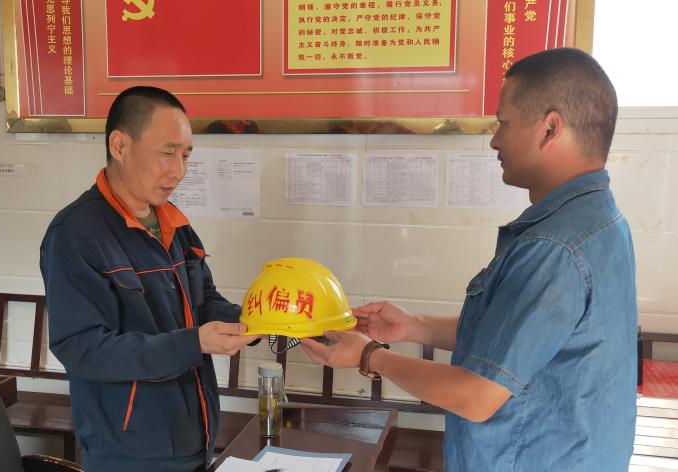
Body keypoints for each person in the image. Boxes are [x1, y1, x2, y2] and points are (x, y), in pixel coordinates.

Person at [301, 48, 638, 471]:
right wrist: (415, 326)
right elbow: (520, 339)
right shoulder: (601, 222)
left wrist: (369, 356)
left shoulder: (553, 247)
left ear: (550, 128)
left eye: (504, 123)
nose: (495, 139)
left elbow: (476, 396)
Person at [40, 86, 255, 471]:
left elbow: (204, 300)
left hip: (194, 435)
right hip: (129, 451)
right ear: (120, 146)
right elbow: (82, 348)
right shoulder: (76, 234)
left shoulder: (173, 222)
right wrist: (194, 342)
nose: (179, 172)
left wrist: (259, 319)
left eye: (186, 156)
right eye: (167, 153)